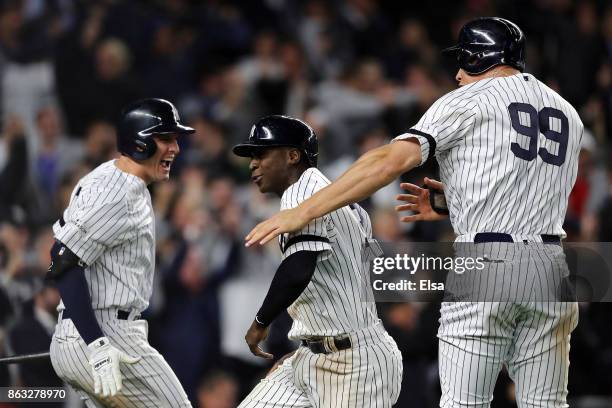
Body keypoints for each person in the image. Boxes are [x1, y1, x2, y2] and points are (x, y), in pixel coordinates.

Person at [245, 17, 583, 407]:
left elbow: (389, 161)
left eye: (463, 61)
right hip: (552, 268)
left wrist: (302, 212)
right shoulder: (567, 114)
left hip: (486, 265)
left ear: (478, 58)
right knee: (547, 403)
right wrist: (453, 202)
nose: (457, 73)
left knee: (463, 403)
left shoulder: (469, 99)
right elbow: (529, 189)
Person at [232, 115, 402, 407]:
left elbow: (298, 268)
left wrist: (261, 322)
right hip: (315, 356)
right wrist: (311, 343)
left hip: (355, 366)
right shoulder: (332, 195)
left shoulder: (302, 191)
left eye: (261, 153)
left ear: (293, 155)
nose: (253, 164)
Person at [47, 98, 194, 407]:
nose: (175, 148)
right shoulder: (120, 193)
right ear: (140, 141)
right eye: (165, 138)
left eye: (175, 139)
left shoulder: (105, 176)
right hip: (103, 332)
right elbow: (63, 258)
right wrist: (97, 344)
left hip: (84, 331)